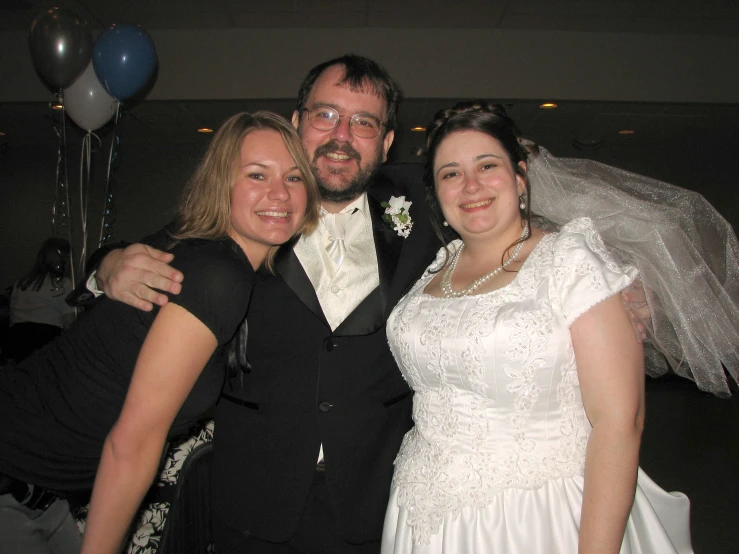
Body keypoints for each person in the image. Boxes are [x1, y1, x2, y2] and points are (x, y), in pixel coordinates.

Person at [91, 55, 658, 552]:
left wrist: (605, 283)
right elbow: (169, 243)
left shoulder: (427, 197)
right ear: (297, 123)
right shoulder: (251, 208)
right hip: (252, 503)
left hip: (377, 504)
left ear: (387, 143)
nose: (343, 134)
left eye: (364, 123)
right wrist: (107, 266)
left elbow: (497, 210)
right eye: (326, 115)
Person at [380, 102, 694, 553]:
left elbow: (620, 420)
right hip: (423, 511)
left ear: (520, 176)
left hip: (537, 514)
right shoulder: (436, 266)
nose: (470, 185)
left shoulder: (570, 262)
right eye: (451, 173)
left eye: (487, 166)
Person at [0, 110, 319, 554]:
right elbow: (132, 444)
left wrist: (105, 260)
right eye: (256, 174)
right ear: (220, 183)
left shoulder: (198, 248)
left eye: (294, 178)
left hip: (46, 494)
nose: (279, 194)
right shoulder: (218, 274)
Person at [2, 237, 76, 362]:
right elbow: (69, 323)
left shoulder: (21, 284)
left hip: (16, 347)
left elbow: (13, 319)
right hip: (46, 348)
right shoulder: (62, 285)